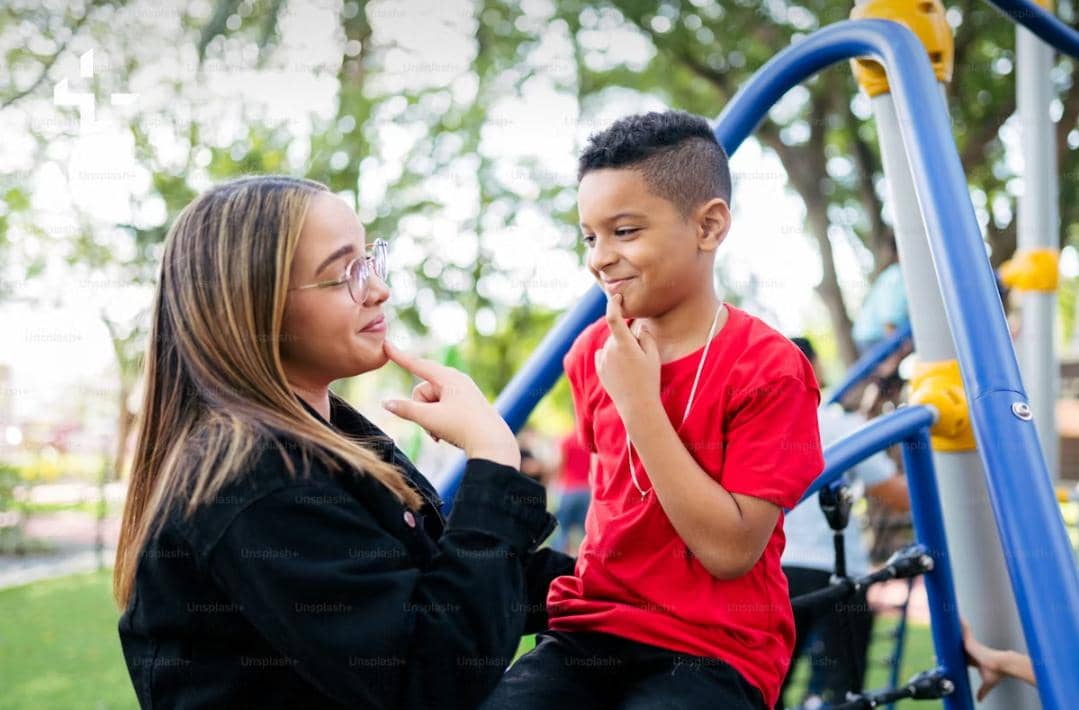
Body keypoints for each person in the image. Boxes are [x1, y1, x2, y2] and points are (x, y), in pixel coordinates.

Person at [114, 175, 575, 708]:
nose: (378, 290)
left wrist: (621, 582)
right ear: (255, 309)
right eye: (342, 276)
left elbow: (443, 583)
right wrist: (494, 458)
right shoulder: (251, 475)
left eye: (370, 261)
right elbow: (427, 679)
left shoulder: (332, 435)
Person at [483, 111, 824, 709]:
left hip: (714, 650)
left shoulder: (769, 368)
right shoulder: (591, 354)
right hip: (592, 631)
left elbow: (729, 551)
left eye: (626, 231)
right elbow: (619, 497)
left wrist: (640, 401)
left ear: (709, 226)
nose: (600, 257)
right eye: (590, 236)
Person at [776, 337, 910, 710]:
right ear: (815, 369)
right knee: (840, 688)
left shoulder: (751, 424)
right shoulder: (839, 425)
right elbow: (895, 494)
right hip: (838, 573)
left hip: (774, 569)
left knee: (766, 682)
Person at [550, 430, 591, 554]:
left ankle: (558, 559)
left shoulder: (566, 440)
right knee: (587, 531)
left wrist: (555, 485)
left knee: (562, 528)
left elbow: (559, 464)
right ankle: (586, 559)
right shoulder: (589, 441)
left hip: (568, 490)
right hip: (587, 491)